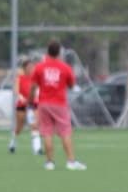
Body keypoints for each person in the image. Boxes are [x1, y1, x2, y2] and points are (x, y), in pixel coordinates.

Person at [29, 40, 82, 170]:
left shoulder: (40, 67)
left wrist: (30, 100)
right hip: (59, 103)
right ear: (59, 53)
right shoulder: (65, 67)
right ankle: (71, 161)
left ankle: (50, 162)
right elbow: (71, 85)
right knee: (65, 132)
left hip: (44, 103)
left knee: (47, 132)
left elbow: (33, 86)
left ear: (48, 52)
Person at [8, 58, 38, 155]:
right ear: (24, 68)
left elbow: (38, 89)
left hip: (33, 105)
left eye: (32, 67)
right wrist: (21, 98)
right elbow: (16, 90)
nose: (31, 69)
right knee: (19, 127)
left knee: (34, 126)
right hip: (22, 105)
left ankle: (37, 149)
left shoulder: (35, 78)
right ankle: (12, 142)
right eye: (29, 67)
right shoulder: (19, 77)